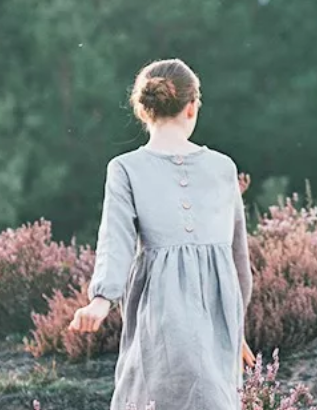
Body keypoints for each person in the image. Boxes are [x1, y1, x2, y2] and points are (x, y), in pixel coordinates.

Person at [68, 59, 255, 409]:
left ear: (143, 110)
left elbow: (116, 242)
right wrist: (235, 325)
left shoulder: (125, 168)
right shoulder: (223, 167)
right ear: (192, 107)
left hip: (160, 314)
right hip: (218, 313)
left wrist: (101, 300)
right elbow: (238, 256)